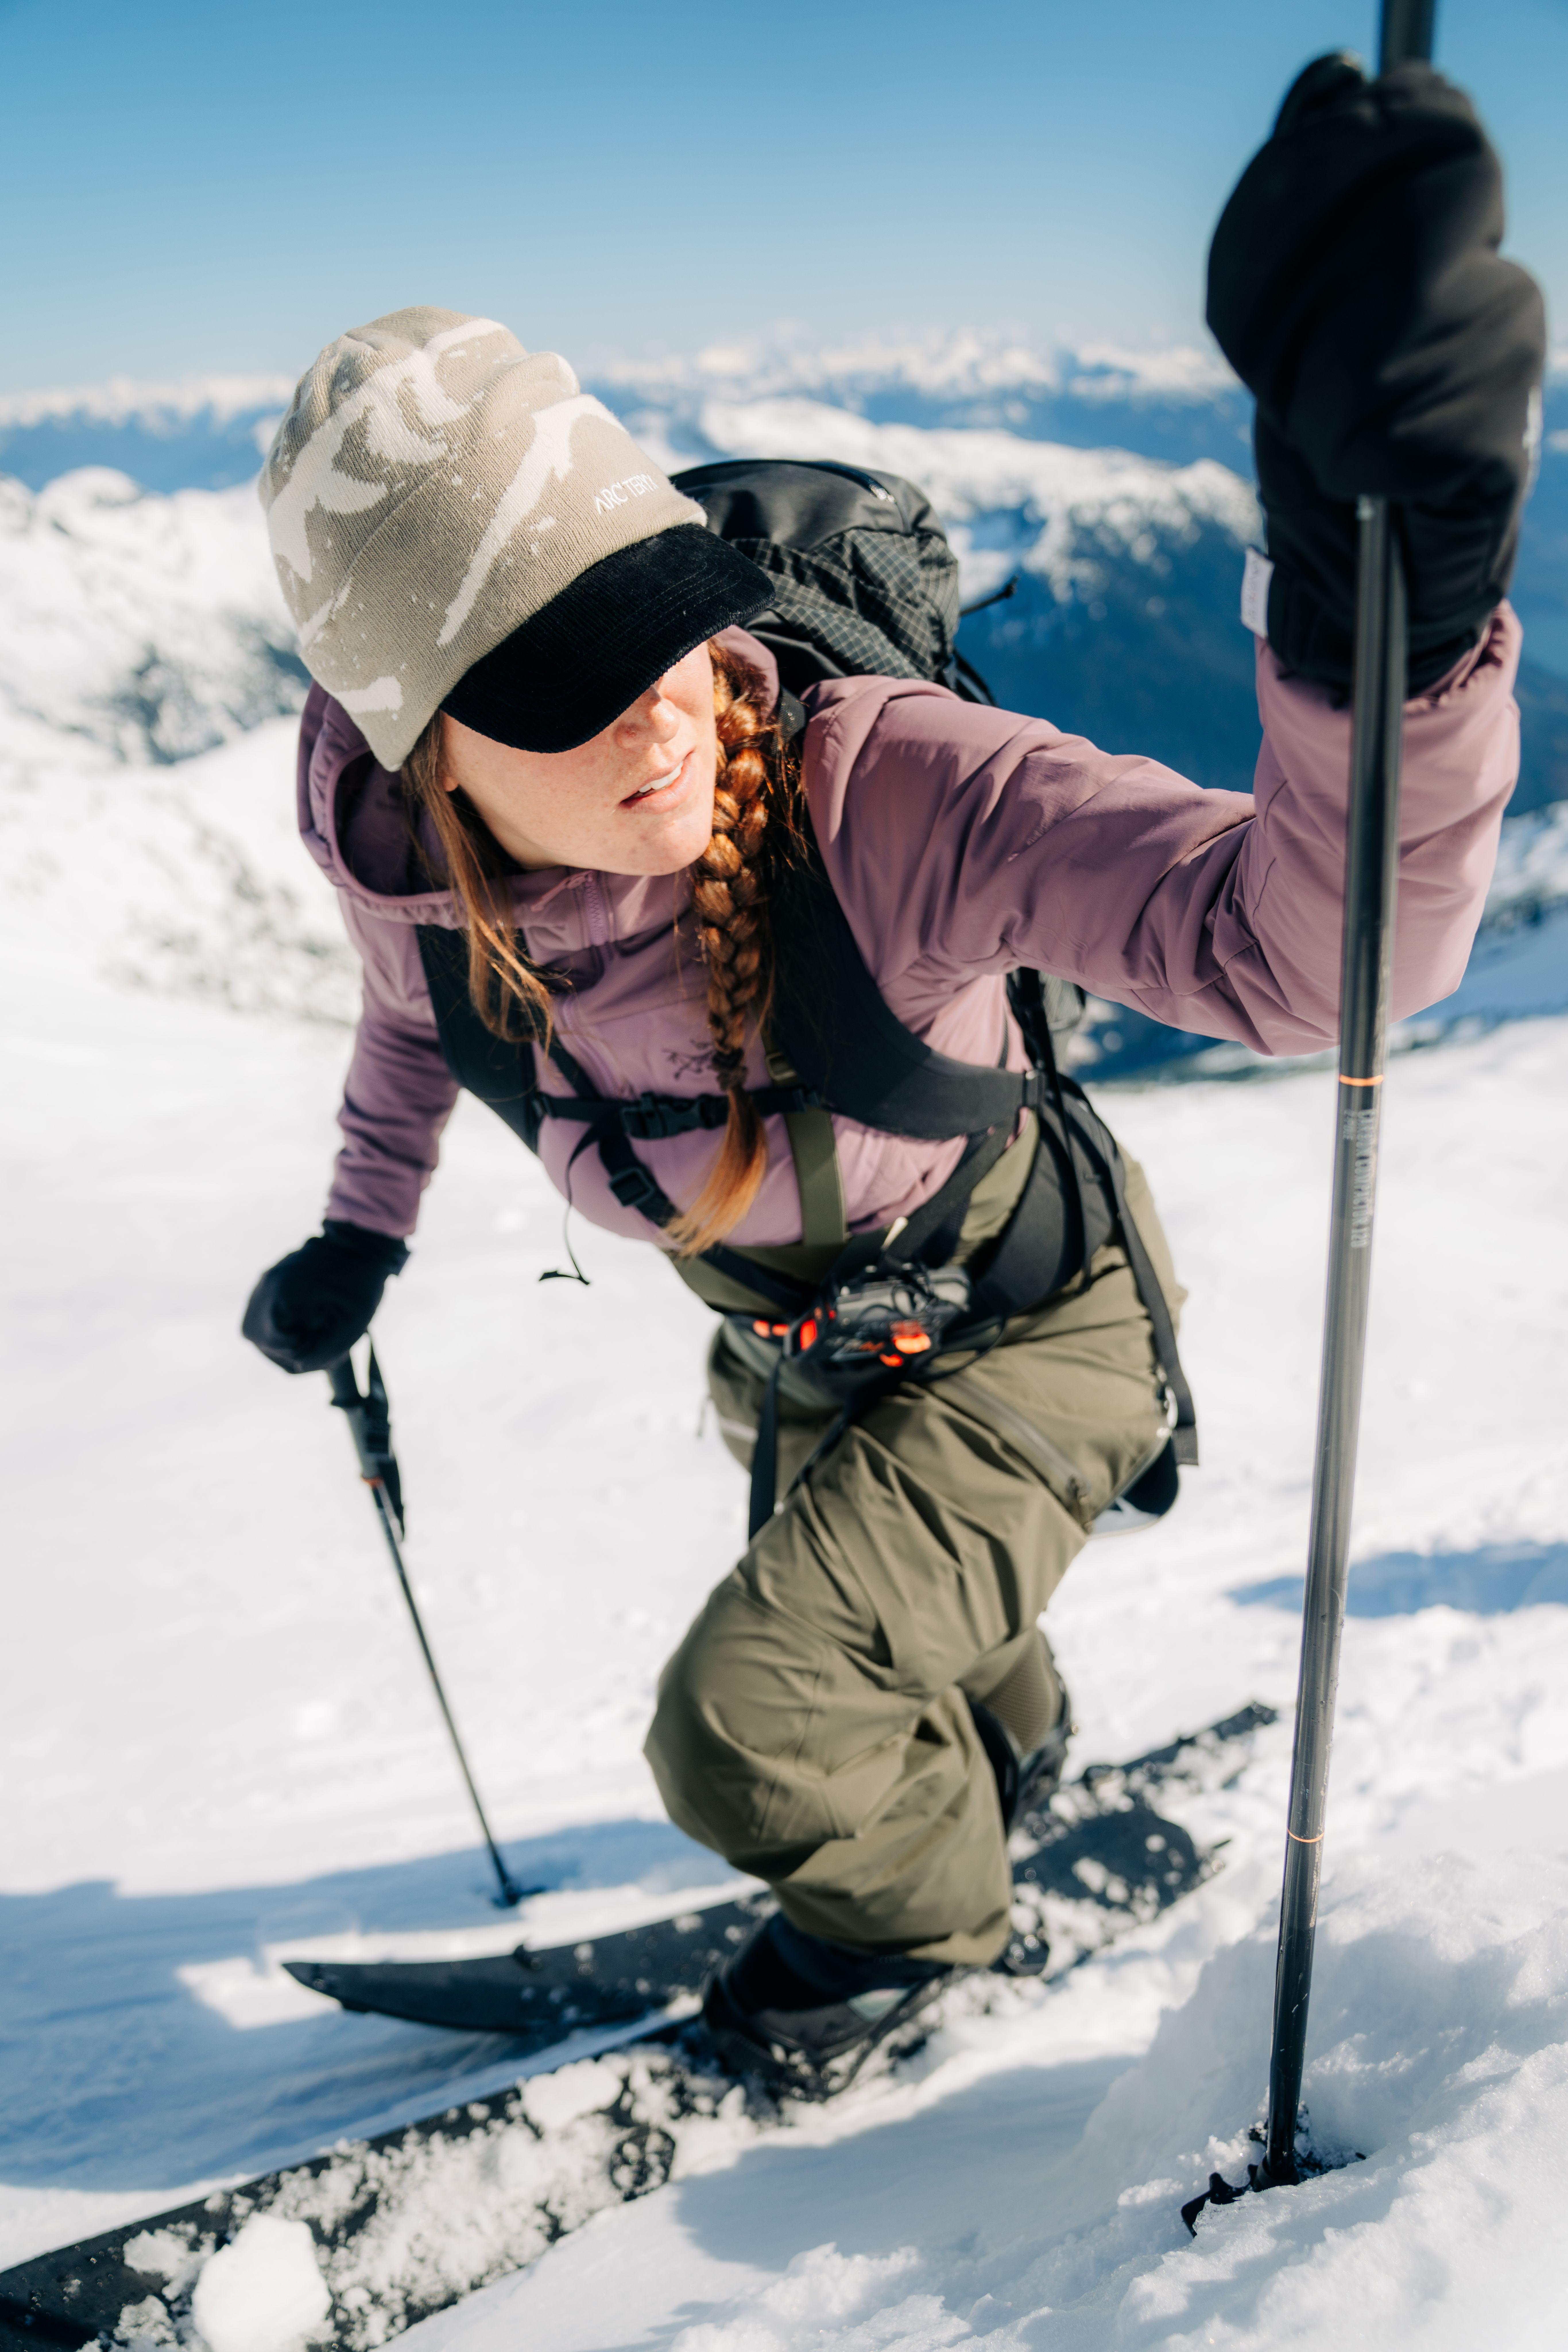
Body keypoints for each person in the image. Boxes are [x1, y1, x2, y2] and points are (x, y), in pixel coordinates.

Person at [243, 61, 1541, 2087]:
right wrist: (355, 1232)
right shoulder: (416, 889)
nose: (669, 718)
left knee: (747, 1730)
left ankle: (920, 1928)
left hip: (1027, 1326)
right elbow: (411, 1038)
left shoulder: (880, 790)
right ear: (423, 753)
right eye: (568, 691)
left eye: (666, 622)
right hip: (799, 1346)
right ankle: (996, 1766)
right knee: (905, 1653)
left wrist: (1397, 592)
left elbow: (1308, 961)